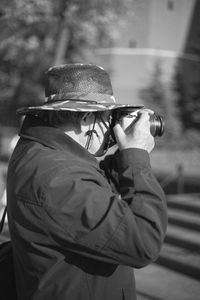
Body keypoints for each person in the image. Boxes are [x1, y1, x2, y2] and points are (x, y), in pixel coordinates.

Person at [7, 63, 168, 300]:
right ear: (85, 118)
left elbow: (90, 186)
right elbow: (144, 243)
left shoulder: (40, 151)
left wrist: (121, 160)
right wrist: (136, 156)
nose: (111, 125)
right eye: (107, 116)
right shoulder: (57, 179)